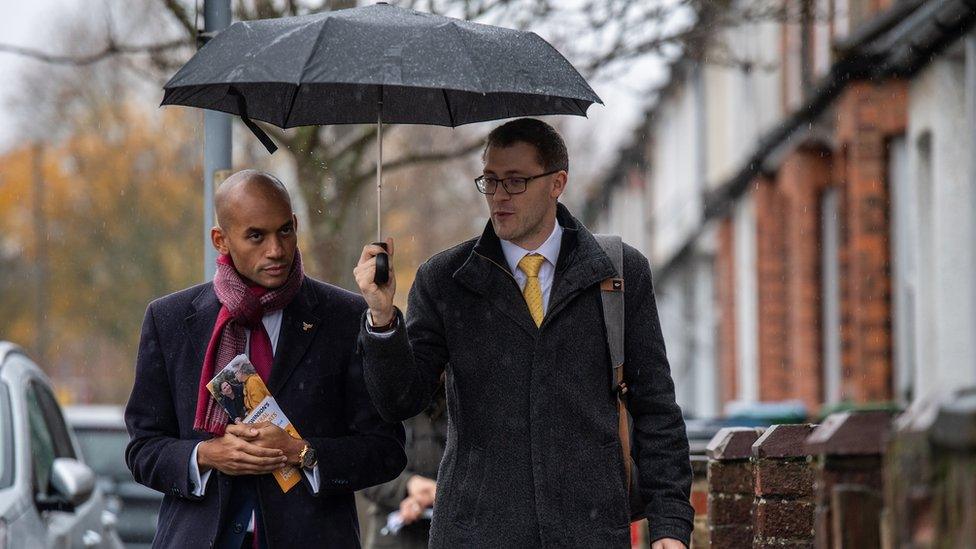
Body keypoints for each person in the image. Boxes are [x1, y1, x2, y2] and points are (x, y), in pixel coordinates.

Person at [354, 118, 693, 548]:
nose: (498, 196)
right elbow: (400, 400)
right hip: (477, 534)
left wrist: (670, 525)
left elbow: (657, 408)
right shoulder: (445, 280)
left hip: (590, 531)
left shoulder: (618, 274)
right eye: (490, 181)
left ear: (557, 183)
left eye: (515, 182)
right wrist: (383, 318)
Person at [126, 169, 406, 549]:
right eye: (256, 236)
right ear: (220, 240)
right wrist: (206, 455)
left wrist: (301, 452)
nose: (276, 249)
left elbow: (385, 450)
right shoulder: (170, 320)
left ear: (295, 224)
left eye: (284, 231)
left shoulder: (344, 317)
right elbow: (143, 448)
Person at [361, 383, 447, 549]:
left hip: (448, 535)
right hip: (392, 538)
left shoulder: (465, 408)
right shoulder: (385, 405)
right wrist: (408, 485)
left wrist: (442, 491)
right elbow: (364, 470)